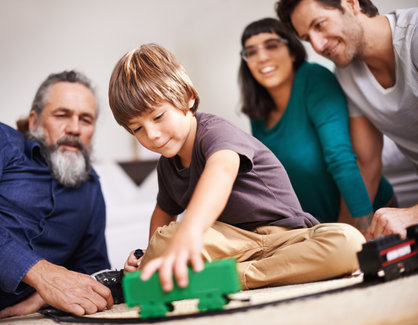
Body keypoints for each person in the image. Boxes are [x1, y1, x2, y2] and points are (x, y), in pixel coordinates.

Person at [108, 43, 365, 293]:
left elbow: (220, 173)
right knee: (164, 243)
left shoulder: (215, 133)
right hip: (229, 243)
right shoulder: (167, 165)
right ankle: (215, 274)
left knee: (350, 243)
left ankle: (232, 276)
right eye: (137, 129)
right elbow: (163, 213)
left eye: (158, 117)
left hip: (283, 237)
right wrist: (150, 260)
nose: (151, 135)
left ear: (187, 98)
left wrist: (191, 232)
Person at [0, 71, 114, 323]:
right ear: (34, 121)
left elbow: (92, 270)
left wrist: (42, 297)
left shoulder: (91, 190)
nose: (74, 128)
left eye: (86, 119)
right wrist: (41, 274)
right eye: (62, 115)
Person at [275, 0, 418, 239]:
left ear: (351, 4)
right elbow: (367, 165)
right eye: (308, 38)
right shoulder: (346, 75)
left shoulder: (413, 37)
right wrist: (344, 237)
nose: (318, 46)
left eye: (319, 25)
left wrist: (413, 214)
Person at [237, 17, 393, 232]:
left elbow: (341, 158)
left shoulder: (313, 79)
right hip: (318, 231)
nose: (262, 57)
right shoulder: (258, 110)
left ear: (292, 51)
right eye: (251, 52)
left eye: (272, 46)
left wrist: (354, 228)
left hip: (368, 218)